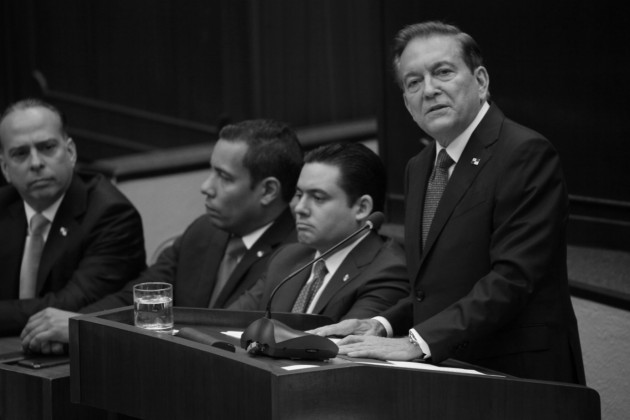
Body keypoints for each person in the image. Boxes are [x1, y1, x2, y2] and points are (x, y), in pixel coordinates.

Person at [312, 21, 585, 384]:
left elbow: (512, 279)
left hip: (517, 376)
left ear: (481, 81)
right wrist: (382, 323)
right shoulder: (420, 166)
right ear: (407, 104)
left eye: (442, 72)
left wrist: (416, 341)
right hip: (448, 375)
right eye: (413, 82)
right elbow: (437, 288)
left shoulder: (524, 153)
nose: (429, 90)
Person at [21, 119, 303, 353]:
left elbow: (220, 330)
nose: (206, 187)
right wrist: (79, 324)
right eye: (210, 172)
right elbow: (138, 297)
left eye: (224, 177)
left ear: (268, 191)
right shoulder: (203, 230)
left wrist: (85, 331)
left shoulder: (295, 252)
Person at [0, 98, 146, 337]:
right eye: (20, 153)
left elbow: (70, 305)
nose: (36, 163)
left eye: (47, 147)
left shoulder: (111, 214)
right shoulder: (5, 204)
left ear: (70, 152)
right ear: (5, 168)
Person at [229, 142, 408, 322]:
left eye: (317, 198)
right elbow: (226, 321)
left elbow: (342, 343)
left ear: (361, 208)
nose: (300, 208)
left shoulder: (387, 273)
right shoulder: (287, 257)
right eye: (299, 195)